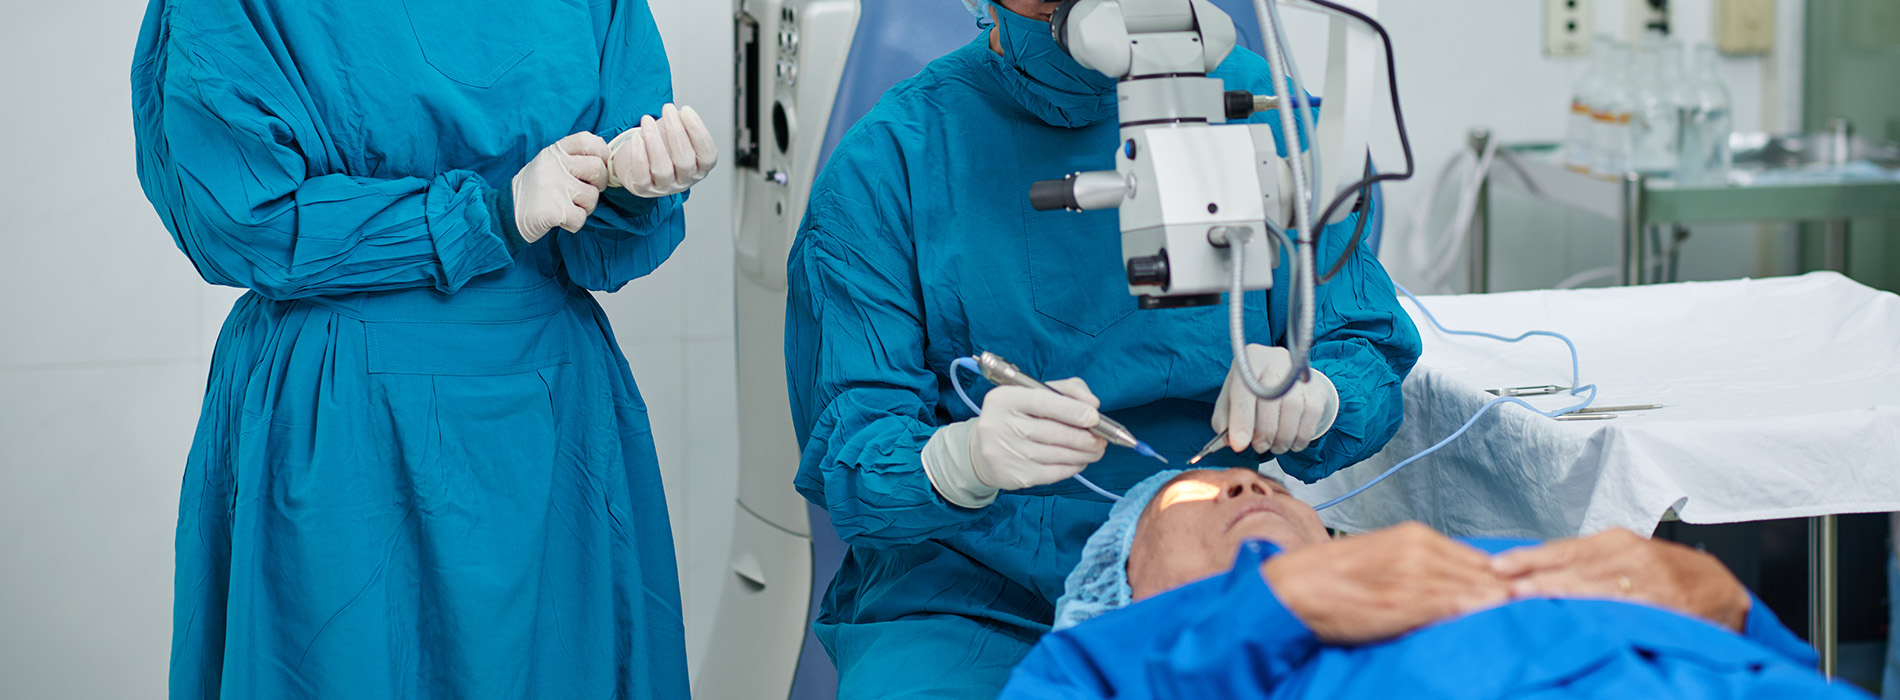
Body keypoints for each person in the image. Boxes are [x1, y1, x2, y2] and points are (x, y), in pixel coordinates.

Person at [783, 0, 1422, 696]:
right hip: (970, 599)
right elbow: (853, 455)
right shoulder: (893, 161)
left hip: (1212, 562)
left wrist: (1323, 393)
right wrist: (959, 462)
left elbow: (1362, 340)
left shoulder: (1258, 108)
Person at [131, 1, 716, 697]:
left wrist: (638, 178)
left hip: (549, 421)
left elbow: (608, 235)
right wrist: (485, 215)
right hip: (346, 426)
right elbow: (240, 216)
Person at [999, 468, 1870, 699]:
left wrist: (1728, 601)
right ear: (1122, 589)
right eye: (1189, 498)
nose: (1250, 483)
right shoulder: (1105, 661)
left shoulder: (1486, 554)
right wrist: (1265, 613)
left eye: (1268, 483)